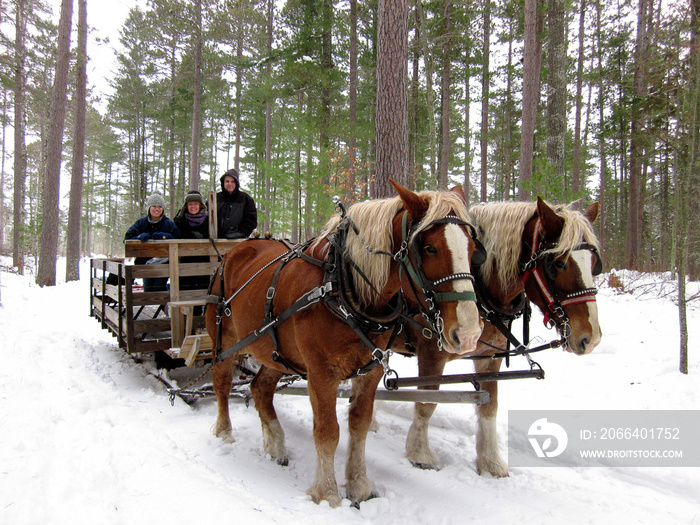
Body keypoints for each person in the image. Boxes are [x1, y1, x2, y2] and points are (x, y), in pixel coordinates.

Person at [124, 191, 181, 292]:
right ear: (149, 208)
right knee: (149, 290)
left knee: (158, 288)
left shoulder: (168, 223)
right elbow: (127, 238)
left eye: (159, 206)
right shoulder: (141, 223)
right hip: (145, 262)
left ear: (163, 209)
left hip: (164, 262)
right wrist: (139, 237)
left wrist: (166, 237)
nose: (156, 209)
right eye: (153, 206)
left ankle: (165, 303)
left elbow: (179, 240)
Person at [173, 190, 210, 293]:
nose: (193, 206)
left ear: (200, 205)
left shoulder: (208, 219)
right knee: (185, 290)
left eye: (195, 204)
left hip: (203, 260)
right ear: (186, 205)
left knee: (203, 290)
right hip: (185, 260)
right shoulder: (180, 220)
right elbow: (176, 235)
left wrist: (202, 237)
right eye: (190, 204)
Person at [216, 168, 257, 239]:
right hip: (216, 239)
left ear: (236, 183)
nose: (230, 184)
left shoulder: (245, 199)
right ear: (223, 183)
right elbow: (207, 217)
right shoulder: (215, 198)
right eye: (227, 181)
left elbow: (251, 220)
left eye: (232, 182)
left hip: (238, 240)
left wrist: (242, 233)